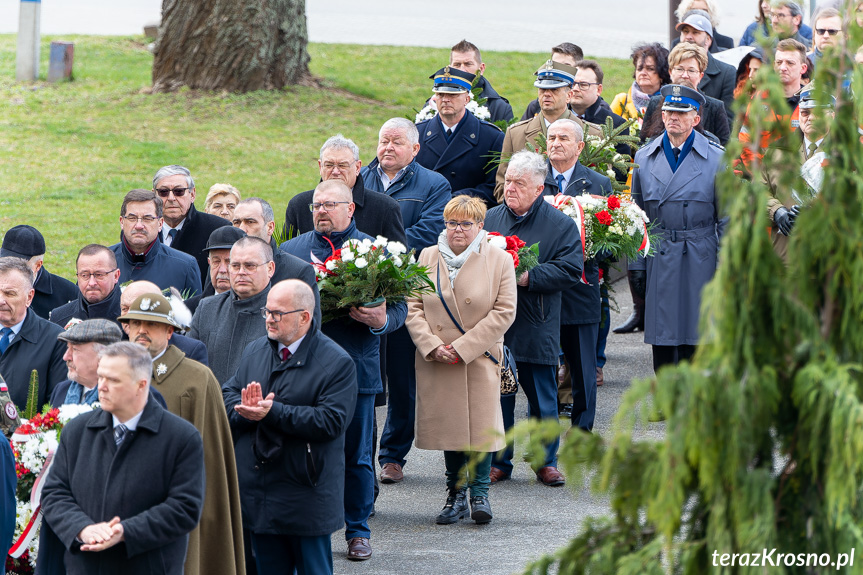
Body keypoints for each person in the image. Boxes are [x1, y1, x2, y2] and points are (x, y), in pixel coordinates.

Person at [282, 180, 407, 561]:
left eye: (330, 204)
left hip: (356, 368)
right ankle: (302, 527)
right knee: (300, 453)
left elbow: (401, 309)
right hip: (301, 371)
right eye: (316, 205)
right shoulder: (291, 252)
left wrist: (382, 318)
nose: (321, 210)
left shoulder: (376, 251)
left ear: (350, 209)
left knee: (356, 455)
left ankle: (357, 530)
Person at [223, 279, 357, 575]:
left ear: (304, 317)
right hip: (259, 493)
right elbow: (228, 394)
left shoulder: (336, 363)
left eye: (277, 314)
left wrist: (273, 412)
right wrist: (245, 411)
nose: (269, 319)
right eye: (267, 312)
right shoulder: (255, 350)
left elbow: (331, 422)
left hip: (305, 493)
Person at [41, 341, 205, 575]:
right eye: (101, 377)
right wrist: (82, 528)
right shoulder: (77, 431)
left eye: (114, 380)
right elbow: (55, 493)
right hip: (84, 567)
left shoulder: (181, 438)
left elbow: (184, 507)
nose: (102, 387)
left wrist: (125, 532)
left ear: (141, 385)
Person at [405, 195, 516, 524]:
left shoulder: (499, 260)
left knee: (481, 429)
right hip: (437, 359)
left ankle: (480, 494)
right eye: (452, 223)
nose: (457, 230)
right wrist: (431, 345)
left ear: (480, 226)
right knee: (449, 429)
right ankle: (455, 496)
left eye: (466, 224)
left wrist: (464, 347)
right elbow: (412, 309)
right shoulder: (426, 256)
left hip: (478, 357)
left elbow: (504, 312)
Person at [119, 292, 245, 575]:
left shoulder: (197, 379)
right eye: (134, 323)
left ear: (169, 330)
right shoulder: (116, 373)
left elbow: (211, 462)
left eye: (151, 325)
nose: (141, 331)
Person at [485, 150, 583, 485]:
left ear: (539, 189)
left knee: (543, 397)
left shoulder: (560, 225)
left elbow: (571, 269)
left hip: (537, 321)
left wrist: (528, 276)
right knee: (500, 396)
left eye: (518, 183)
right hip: (496, 326)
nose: (509, 187)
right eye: (507, 180)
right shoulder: (490, 219)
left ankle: (546, 461)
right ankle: (499, 460)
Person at [362, 118, 451, 486]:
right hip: (356, 291)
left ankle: (392, 455)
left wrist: (368, 249)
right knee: (362, 378)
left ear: (415, 150)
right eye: (383, 141)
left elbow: (427, 233)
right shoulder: (358, 178)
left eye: (397, 142)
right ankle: (362, 455)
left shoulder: (433, 184)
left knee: (401, 378)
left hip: (403, 293)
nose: (388, 148)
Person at [629, 85, 723, 372]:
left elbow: (729, 218)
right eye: (669, 111)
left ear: (696, 119)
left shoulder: (717, 159)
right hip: (661, 250)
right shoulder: (645, 157)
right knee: (663, 327)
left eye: (682, 113)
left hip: (701, 250)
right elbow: (637, 216)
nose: (673, 117)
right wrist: (636, 265)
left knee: (698, 327)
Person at [542, 119, 612, 429]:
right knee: (541, 362)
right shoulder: (533, 178)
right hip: (541, 285)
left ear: (579, 147)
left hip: (581, 284)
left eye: (563, 138)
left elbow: (612, 241)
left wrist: (589, 249)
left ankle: (583, 429)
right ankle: (542, 426)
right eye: (551, 137)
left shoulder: (597, 184)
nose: (555, 143)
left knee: (583, 365)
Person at [495, 60, 601, 203]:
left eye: (554, 90)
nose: (547, 94)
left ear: (569, 96)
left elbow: (601, 186)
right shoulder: (516, 134)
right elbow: (502, 186)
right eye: (542, 89)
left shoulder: (593, 134)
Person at [284, 135, 407, 245]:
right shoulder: (299, 205)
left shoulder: (385, 208)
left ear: (358, 167)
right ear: (320, 166)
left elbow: (398, 261)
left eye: (343, 165)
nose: (336, 172)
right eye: (329, 165)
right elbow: (284, 257)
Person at [190, 236, 275, 383]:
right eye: (235, 266)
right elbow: (189, 363)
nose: (241, 272)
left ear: (270, 268)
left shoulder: (283, 313)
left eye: (250, 266)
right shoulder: (207, 308)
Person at [763, 84, 833, 262]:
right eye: (805, 112)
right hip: (786, 256)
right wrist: (776, 211)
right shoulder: (778, 150)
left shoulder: (847, 154)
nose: (810, 118)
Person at [415, 66, 503, 207]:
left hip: (468, 216)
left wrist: (456, 200)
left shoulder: (491, 137)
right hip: (424, 214)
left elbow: (494, 187)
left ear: (467, 99)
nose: (445, 100)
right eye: (440, 94)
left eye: (453, 95)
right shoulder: (418, 133)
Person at [0, 257, 66, 410]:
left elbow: (56, 408)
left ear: (29, 297)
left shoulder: (55, 340)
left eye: (9, 293)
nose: (1, 300)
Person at [110, 189, 202, 295]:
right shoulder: (103, 262)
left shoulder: (185, 267)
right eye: (132, 218)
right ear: (122, 222)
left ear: (160, 223)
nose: (139, 225)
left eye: (147, 218)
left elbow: (195, 310)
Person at [737, 38, 808, 173]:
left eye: (790, 63)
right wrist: (762, 177)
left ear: (803, 68)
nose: (782, 67)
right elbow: (746, 142)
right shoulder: (759, 100)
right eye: (779, 62)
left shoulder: (812, 102)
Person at [153, 165, 232, 281]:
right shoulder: (141, 230)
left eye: (178, 191)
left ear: (192, 194)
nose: (171, 198)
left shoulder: (217, 229)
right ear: (154, 196)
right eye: (163, 192)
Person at [641, 43, 730, 146]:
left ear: (700, 76)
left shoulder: (715, 107)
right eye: (680, 69)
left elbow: (723, 150)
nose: (685, 75)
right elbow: (643, 142)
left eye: (691, 70)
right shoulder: (655, 102)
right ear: (670, 72)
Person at [233, 197, 322, 297]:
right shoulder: (223, 266)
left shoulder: (298, 272)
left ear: (270, 227)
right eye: (236, 223)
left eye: (250, 222)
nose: (241, 229)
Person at [119, 281, 209, 366]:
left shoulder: (190, 351)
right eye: (124, 309)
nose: (130, 316)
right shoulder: (115, 345)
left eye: (138, 309)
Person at [1, 225, 77, 320]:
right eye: (6, 260)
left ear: (38, 265)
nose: (10, 268)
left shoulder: (68, 294)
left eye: (19, 265)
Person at [677, 11, 736, 123]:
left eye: (695, 32)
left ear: (708, 40)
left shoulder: (727, 73)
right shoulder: (670, 67)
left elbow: (728, 122)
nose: (689, 37)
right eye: (685, 32)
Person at [49, 244, 122, 330]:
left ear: (116, 276)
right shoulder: (59, 318)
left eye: (99, 275)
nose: (92, 283)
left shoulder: (132, 318)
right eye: (84, 275)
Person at [442, 40, 513, 123]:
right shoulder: (436, 103)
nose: (462, 70)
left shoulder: (499, 108)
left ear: (481, 68)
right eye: (457, 65)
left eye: (468, 64)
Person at [184, 226, 247, 313]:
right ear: (209, 262)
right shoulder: (188, 310)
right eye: (216, 261)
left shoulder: (262, 309)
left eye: (229, 262)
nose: (222, 270)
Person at [520, 43, 584, 121]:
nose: (559, 70)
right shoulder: (537, 105)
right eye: (555, 65)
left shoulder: (583, 101)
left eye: (566, 66)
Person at [611, 43, 671, 125]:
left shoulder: (669, 101)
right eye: (639, 68)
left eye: (650, 69)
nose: (643, 73)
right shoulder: (621, 100)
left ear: (662, 74)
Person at [671, 0, 735, 51]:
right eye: (693, 10)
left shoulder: (726, 42)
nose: (699, 13)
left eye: (704, 10)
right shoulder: (677, 43)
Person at [807, 7, 844, 72]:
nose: (826, 36)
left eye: (832, 31)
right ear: (814, 33)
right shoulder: (802, 64)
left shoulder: (856, 64)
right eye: (821, 31)